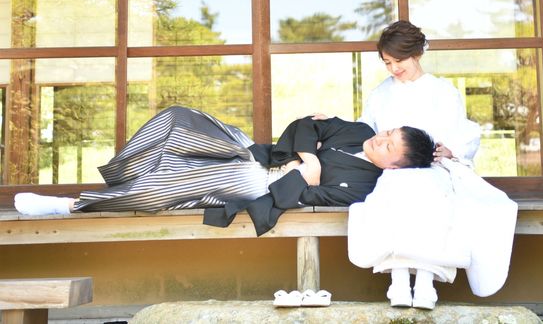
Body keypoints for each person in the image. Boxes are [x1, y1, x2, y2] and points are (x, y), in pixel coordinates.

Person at [14, 105, 435, 237]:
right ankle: (124, 175)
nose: (380, 140)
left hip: (261, 185)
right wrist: (310, 159)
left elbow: (308, 196)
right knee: (179, 119)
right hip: (255, 153)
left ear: (396, 167)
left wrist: (303, 169)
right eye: (388, 133)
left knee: (176, 184)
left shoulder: (365, 186)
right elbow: (306, 125)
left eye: (388, 147)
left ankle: (70, 206)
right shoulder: (360, 130)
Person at [347, 20, 516, 310]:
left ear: (417, 54)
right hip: (393, 170)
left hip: (435, 168)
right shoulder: (380, 93)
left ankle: (426, 283)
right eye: (387, 63)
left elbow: (462, 131)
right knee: (391, 197)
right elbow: (366, 131)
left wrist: (451, 150)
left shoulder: (443, 91)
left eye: (399, 61)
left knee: (431, 203)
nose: (393, 69)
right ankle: (399, 282)